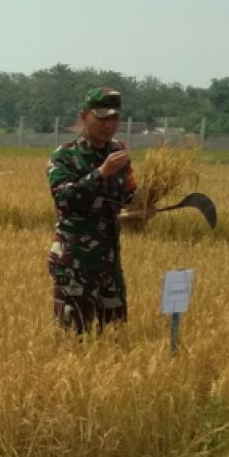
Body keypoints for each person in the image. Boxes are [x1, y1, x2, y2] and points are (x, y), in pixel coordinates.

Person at [47, 86, 137, 334]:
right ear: (85, 116)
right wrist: (100, 173)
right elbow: (64, 199)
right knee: (73, 338)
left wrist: (142, 208)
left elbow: (128, 196)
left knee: (115, 336)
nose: (109, 125)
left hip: (110, 262)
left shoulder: (119, 152)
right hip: (75, 262)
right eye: (102, 117)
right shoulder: (65, 157)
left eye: (114, 118)